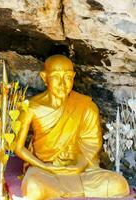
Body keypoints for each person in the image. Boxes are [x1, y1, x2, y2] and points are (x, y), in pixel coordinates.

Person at [14, 55, 129, 199]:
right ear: (44, 77)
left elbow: (92, 145)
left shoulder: (87, 107)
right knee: (34, 187)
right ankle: (69, 191)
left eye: (68, 77)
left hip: (82, 171)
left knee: (119, 184)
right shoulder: (31, 107)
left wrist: (79, 166)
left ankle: (62, 192)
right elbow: (17, 147)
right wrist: (45, 167)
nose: (62, 83)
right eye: (56, 77)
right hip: (46, 171)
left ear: (74, 77)